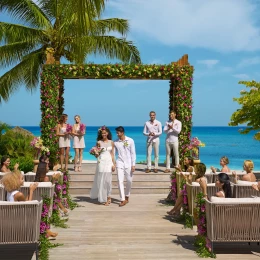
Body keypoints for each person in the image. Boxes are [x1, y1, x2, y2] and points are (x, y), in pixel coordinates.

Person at [2, 171, 58, 238]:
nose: (23, 180)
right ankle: (46, 232)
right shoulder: (19, 194)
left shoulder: (9, 192)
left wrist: (29, 192)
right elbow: (28, 205)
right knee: (37, 213)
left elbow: (25, 202)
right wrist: (31, 191)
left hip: (13, 216)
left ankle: (47, 231)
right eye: (22, 179)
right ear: (15, 181)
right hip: (19, 219)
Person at [90, 126, 116, 206]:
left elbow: (112, 154)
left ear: (107, 133)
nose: (104, 134)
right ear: (101, 134)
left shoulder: (111, 142)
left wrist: (114, 164)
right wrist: (96, 154)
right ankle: (103, 197)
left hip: (109, 162)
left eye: (105, 133)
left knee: (108, 181)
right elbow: (96, 154)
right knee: (101, 180)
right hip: (101, 162)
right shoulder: (99, 142)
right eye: (102, 133)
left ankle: (108, 196)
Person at [114, 126, 136, 207]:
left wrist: (133, 164)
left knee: (129, 181)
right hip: (119, 163)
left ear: (122, 132)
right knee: (120, 181)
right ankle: (122, 199)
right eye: (116, 132)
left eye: (118, 132)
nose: (117, 134)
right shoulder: (115, 142)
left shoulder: (130, 140)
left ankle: (127, 195)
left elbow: (133, 153)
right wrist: (113, 163)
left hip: (129, 163)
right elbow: (113, 154)